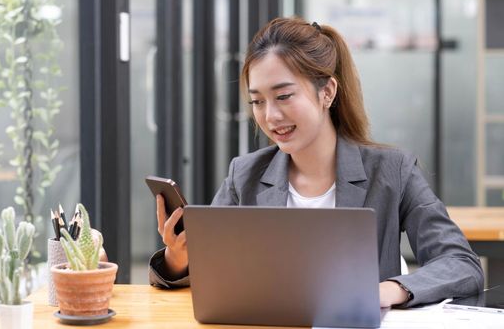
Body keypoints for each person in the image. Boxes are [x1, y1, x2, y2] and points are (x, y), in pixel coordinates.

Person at [148, 16, 484, 308]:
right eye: (257, 101)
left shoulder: (391, 171)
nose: (270, 115)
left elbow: (460, 264)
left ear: (327, 93)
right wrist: (178, 259)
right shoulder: (245, 175)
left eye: (284, 96)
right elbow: (212, 275)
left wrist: (389, 290)